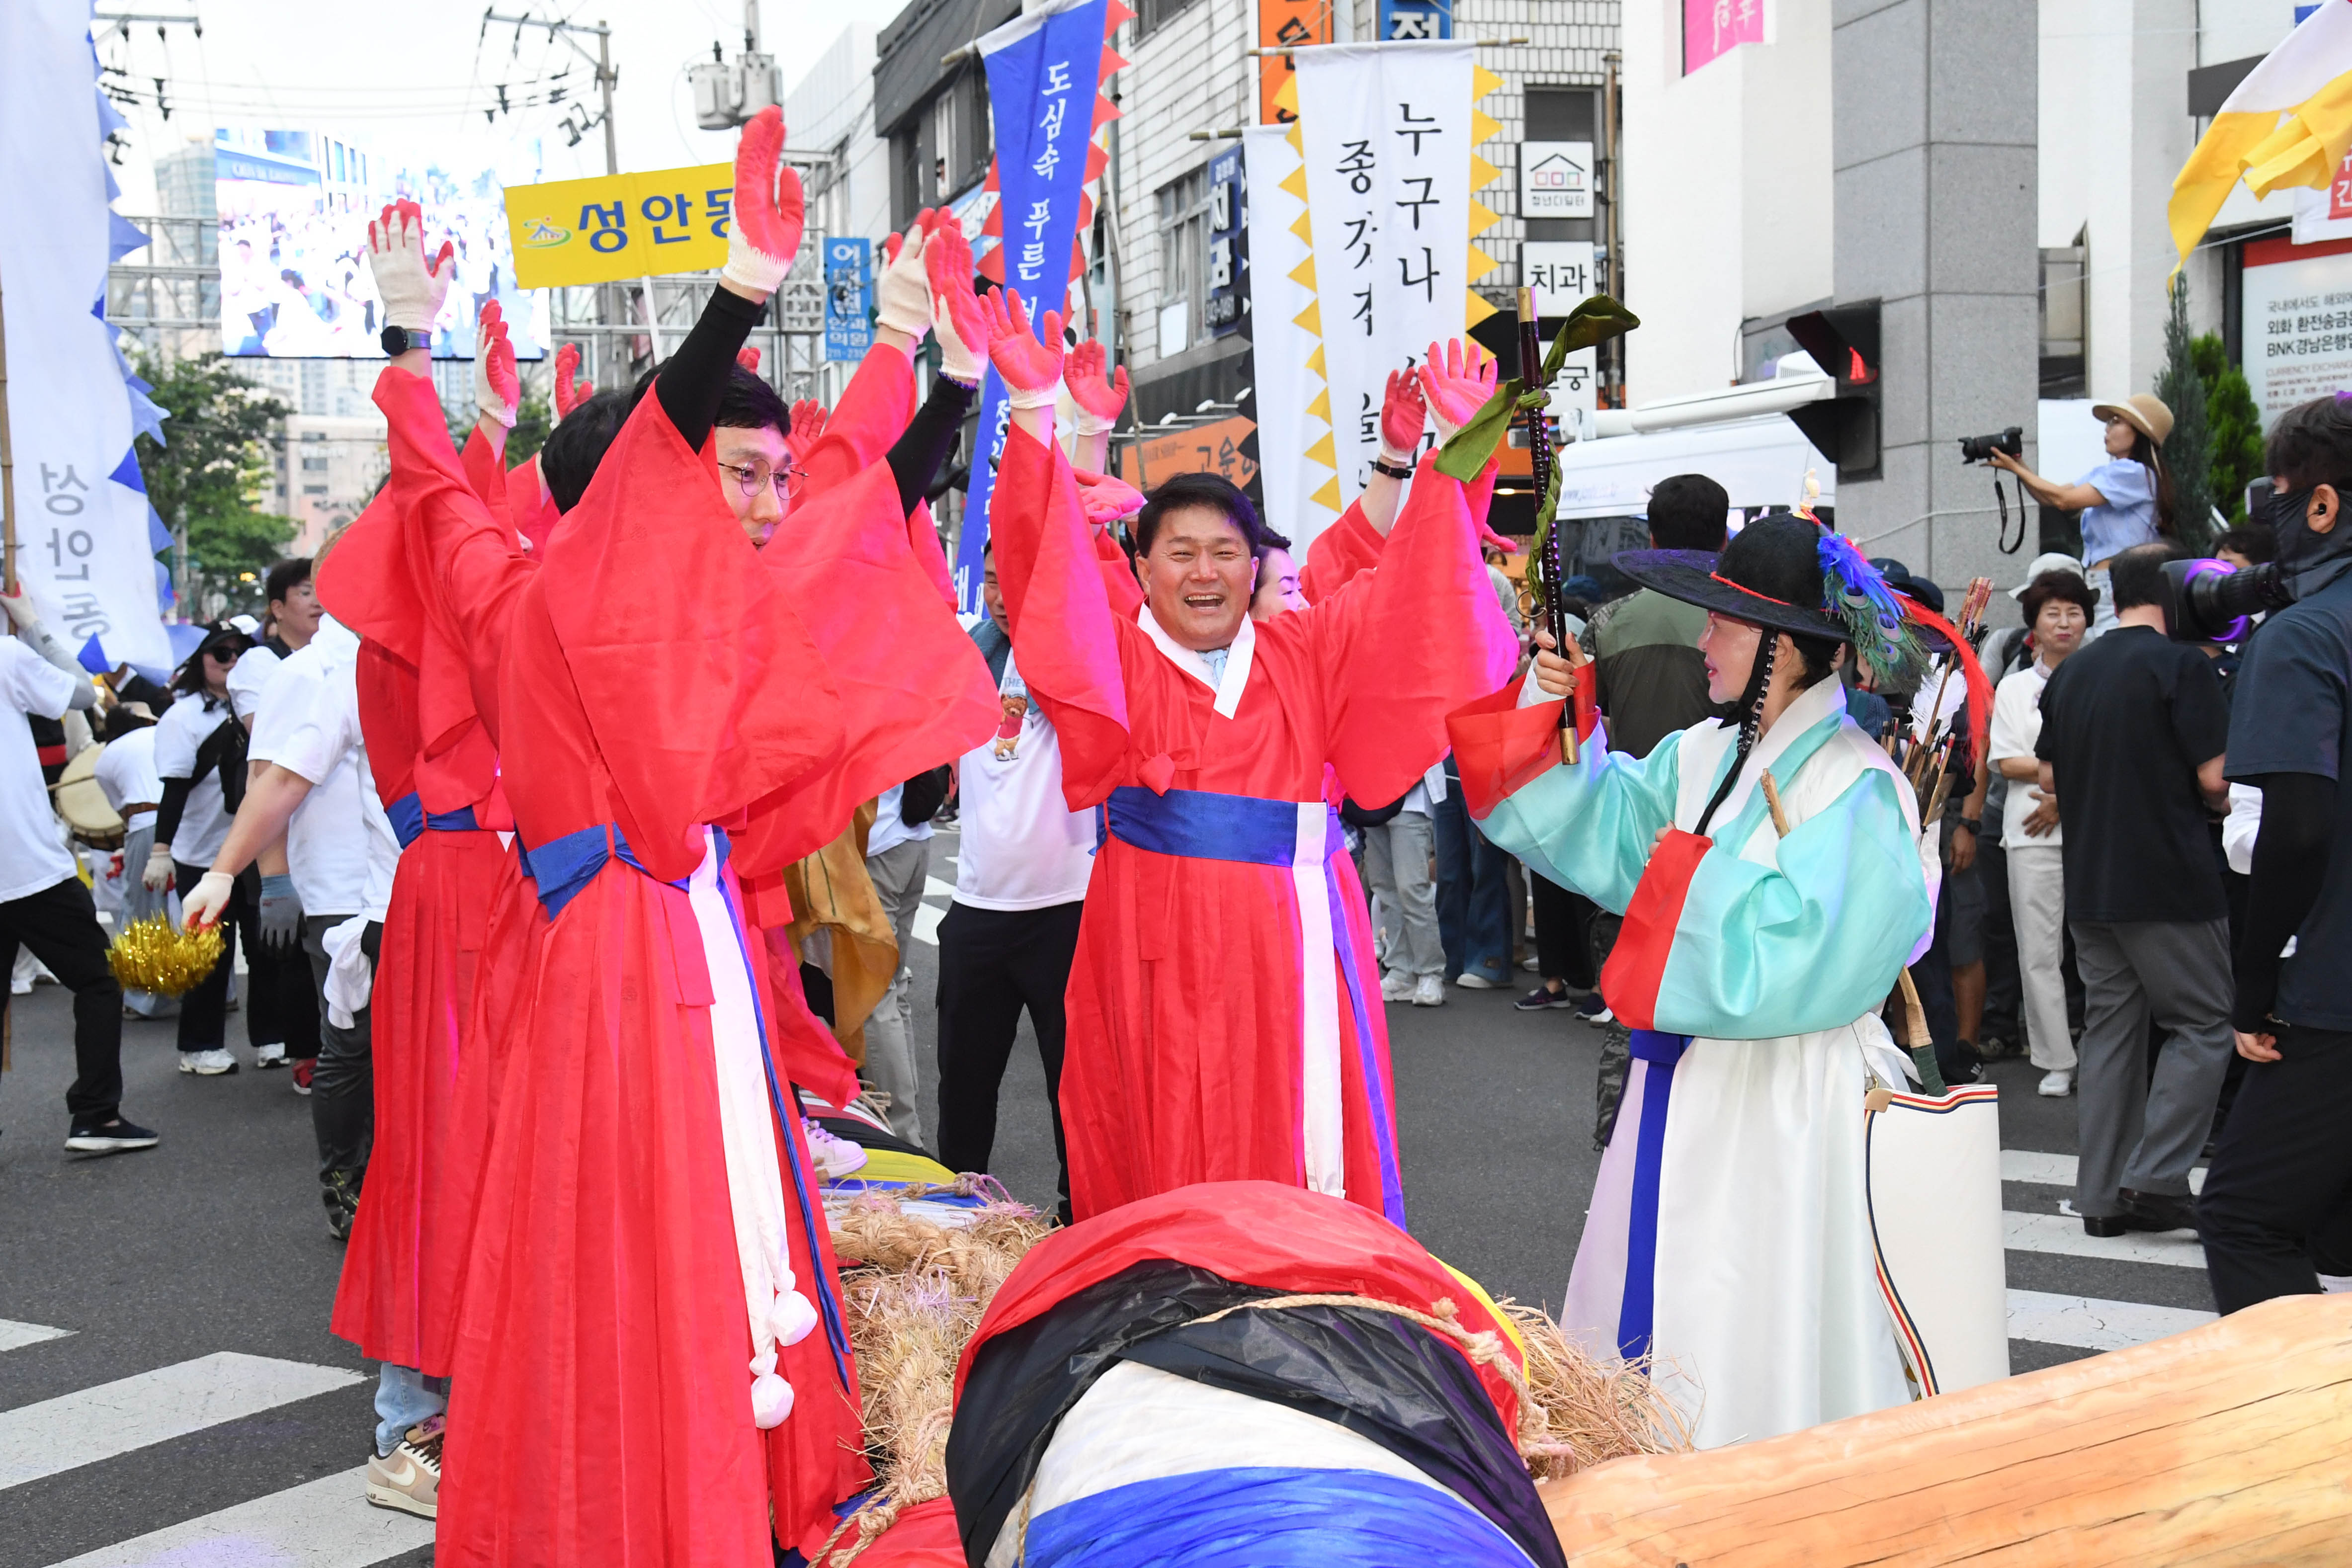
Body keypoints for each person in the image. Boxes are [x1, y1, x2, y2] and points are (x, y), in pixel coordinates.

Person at [383, 111, 990, 1565]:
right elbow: (436, 485)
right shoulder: (529, 600)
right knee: (622, 1252)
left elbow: (847, 496)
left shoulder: (716, 617)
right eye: (727, 476)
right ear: (632, 488)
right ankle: (626, 1505)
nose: (761, 507)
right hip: (606, 974)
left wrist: (928, 369)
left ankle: (736, 1486)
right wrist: (727, 295)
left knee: (735, 1245)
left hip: (710, 952)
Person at [987, 306, 1516, 1224]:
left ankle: (1312, 1305)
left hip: (1298, 937)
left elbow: (1414, 591)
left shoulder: (1304, 651)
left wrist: (1455, 445)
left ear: (1251, 566)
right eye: (1181, 553)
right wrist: (1038, 413)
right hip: (1153, 941)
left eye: (1226, 553)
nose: (1205, 573)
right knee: (1165, 1149)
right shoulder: (1118, 661)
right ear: (1141, 568)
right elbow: (1046, 576)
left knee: (1300, 1149)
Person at [1455, 516, 1945, 1447]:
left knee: (1759, 1314)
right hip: (1681, 1083)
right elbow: (1593, 827)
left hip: (1789, 1098)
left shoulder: (1861, 783)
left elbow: (1819, 958)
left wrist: (1678, 880)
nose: (1701, 640)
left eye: (1724, 624)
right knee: (1671, 1293)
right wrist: (1546, 701)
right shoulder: (1699, 755)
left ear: (1786, 650)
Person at [2197, 394, 2352, 1313]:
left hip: (2333, 992)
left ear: (2322, 506)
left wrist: (2251, 988)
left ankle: (2301, 1446)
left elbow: (2295, 828)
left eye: (2282, 500)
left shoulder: (2303, 636)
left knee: (2246, 1216)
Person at [2034, 540, 2234, 1238]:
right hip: (2170, 878)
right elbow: (2216, 779)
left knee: (2112, 1031)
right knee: (2205, 1023)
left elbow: (2050, 778)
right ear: (2179, 588)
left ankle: (2101, 1196)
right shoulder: (2184, 664)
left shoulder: (2074, 672)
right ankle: (2154, 1175)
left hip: (2090, 880)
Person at [937, 543, 1095, 1218]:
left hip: (1065, 906)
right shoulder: (968, 654)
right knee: (965, 1085)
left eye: (1020, 579)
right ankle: (956, 1217)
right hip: (976, 906)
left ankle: (1079, 1215)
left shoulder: (1076, 656)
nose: (1005, 595)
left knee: (1076, 1086)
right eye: (996, 579)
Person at [1572, 474, 1731, 1138]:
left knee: (1632, 991)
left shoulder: (1608, 622)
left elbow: (1579, 728)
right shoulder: (1744, 621)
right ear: (1724, 535)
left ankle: (1621, 1130)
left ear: (1653, 534)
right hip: (1725, 831)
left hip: (1635, 833)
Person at [0, 591, 152, 1154]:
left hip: (22, 864)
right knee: (96, 980)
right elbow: (84, 692)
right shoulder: (7, 656)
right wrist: (32, 624)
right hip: (25, 865)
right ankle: (96, 1115)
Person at [1988, 569, 2098, 1096]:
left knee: (2105, 948)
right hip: (2030, 829)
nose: (2063, 622)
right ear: (2033, 623)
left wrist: (2064, 794)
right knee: (2038, 950)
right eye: (2052, 612)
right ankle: (2056, 1057)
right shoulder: (2014, 687)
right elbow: (2006, 761)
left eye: (2073, 611)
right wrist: (2065, 783)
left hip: (2096, 825)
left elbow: (2118, 750)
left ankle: (2106, 1053)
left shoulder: (2104, 677)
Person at [150, 620, 263, 1075]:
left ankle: (271, 1036)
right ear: (202, 661)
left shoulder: (263, 706)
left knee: (265, 946)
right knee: (209, 954)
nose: (232, 660)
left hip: (254, 847)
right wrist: (161, 849)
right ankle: (199, 1045)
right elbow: (174, 788)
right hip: (201, 853)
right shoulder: (182, 717)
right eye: (221, 653)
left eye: (241, 652)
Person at [1990, 395, 2175, 634]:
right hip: (2109, 581)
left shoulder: (2133, 472)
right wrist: (2018, 464)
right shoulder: (2114, 472)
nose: (2107, 429)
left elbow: (2064, 500)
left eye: (2116, 422)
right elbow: (2052, 497)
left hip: (2118, 582)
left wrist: (2015, 468)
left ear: (2139, 432)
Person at [264, 557, 321, 654]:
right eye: (306, 593)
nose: (318, 603)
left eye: (321, 592)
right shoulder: (260, 661)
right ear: (278, 609)